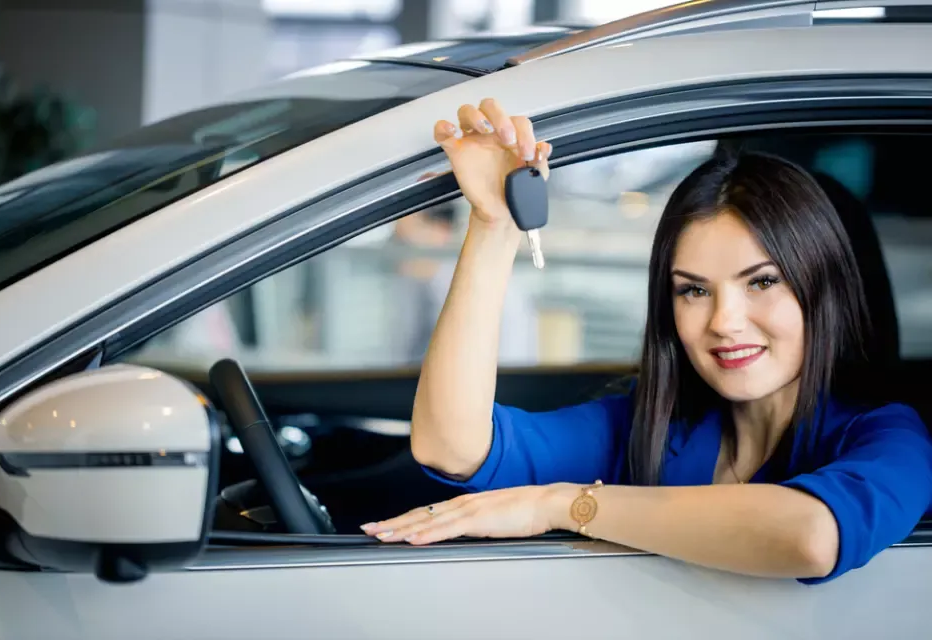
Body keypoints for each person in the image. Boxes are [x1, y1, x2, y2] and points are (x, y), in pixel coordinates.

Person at [359, 98, 932, 584]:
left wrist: (564, 504)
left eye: (761, 282)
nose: (725, 321)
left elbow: (811, 537)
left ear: (821, 288)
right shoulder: (654, 427)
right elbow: (452, 447)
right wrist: (493, 226)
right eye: (693, 291)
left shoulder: (888, 435)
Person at [389, 202, 538, 365]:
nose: (394, 252)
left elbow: (507, 367)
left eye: (403, 243)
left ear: (441, 231)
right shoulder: (415, 289)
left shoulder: (486, 290)